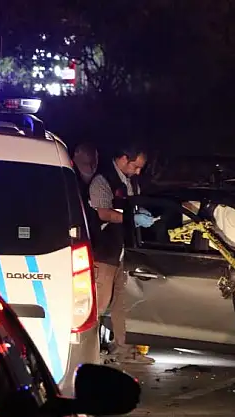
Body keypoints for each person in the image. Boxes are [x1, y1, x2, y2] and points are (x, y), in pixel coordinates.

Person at [89, 144, 156, 364]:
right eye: (136, 166)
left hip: (122, 252)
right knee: (98, 305)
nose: (138, 171)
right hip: (103, 252)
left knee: (120, 304)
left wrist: (139, 213)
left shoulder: (130, 182)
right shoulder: (102, 181)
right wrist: (131, 218)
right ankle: (89, 351)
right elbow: (103, 213)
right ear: (124, 158)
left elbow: (129, 206)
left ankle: (123, 350)